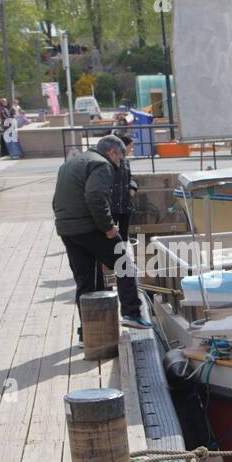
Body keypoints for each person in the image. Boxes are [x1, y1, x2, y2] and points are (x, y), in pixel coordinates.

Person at [52, 135, 149, 331]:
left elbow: (58, 199)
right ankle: (131, 313)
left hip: (67, 229)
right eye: (120, 158)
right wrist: (108, 227)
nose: (119, 163)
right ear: (112, 152)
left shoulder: (70, 163)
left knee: (86, 281)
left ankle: (87, 332)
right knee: (125, 266)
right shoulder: (101, 165)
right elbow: (95, 196)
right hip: (88, 227)